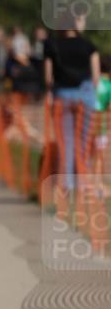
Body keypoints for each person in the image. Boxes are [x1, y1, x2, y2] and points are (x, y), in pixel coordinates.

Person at [44, 12, 100, 189]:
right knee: (83, 141)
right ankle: (82, 183)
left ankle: (66, 184)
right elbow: (96, 77)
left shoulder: (52, 46)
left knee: (65, 141)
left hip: (63, 96)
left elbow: (48, 78)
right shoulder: (88, 46)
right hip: (85, 95)